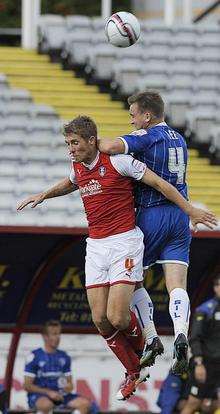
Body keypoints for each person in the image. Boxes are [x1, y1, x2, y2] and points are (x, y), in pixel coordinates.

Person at [18, 116, 216, 400]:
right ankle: (135, 370)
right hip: (96, 246)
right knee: (100, 320)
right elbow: (71, 182)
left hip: (125, 242)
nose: (70, 149)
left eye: (75, 143)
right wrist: (43, 195)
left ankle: (150, 341)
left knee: (118, 317)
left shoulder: (119, 161)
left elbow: (159, 183)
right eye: (67, 144)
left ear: (91, 140)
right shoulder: (78, 166)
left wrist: (189, 210)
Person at [98, 91, 216, 374]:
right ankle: (180, 333)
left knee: (133, 279)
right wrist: (189, 210)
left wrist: (90, 141)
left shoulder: (148, 136)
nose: (131, 120)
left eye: (133, 115)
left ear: (147, 116)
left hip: (152, 215)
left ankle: (151, 337)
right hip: (179, 218)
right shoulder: (180, 138)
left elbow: (111, 147)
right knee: (177, 284)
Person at [24, 319, 98, 414]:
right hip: (40, 396)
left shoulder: (64, 357)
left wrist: (67, 387)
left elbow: (70, 384)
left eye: (59, 334)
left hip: (61, 395)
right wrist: (49, 393)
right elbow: (27, 385)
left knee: (85, 404)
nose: (58, 337)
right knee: (46, 405)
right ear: (45, 336)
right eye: (54, 334)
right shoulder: (34, 356)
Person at [180, 274, 220, 414]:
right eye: (219, 285)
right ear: (215, 288)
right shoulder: (206, 309)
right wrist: (199, 363)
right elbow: (195, 338)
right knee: (193, 402)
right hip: (206, 363)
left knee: (214, 405)